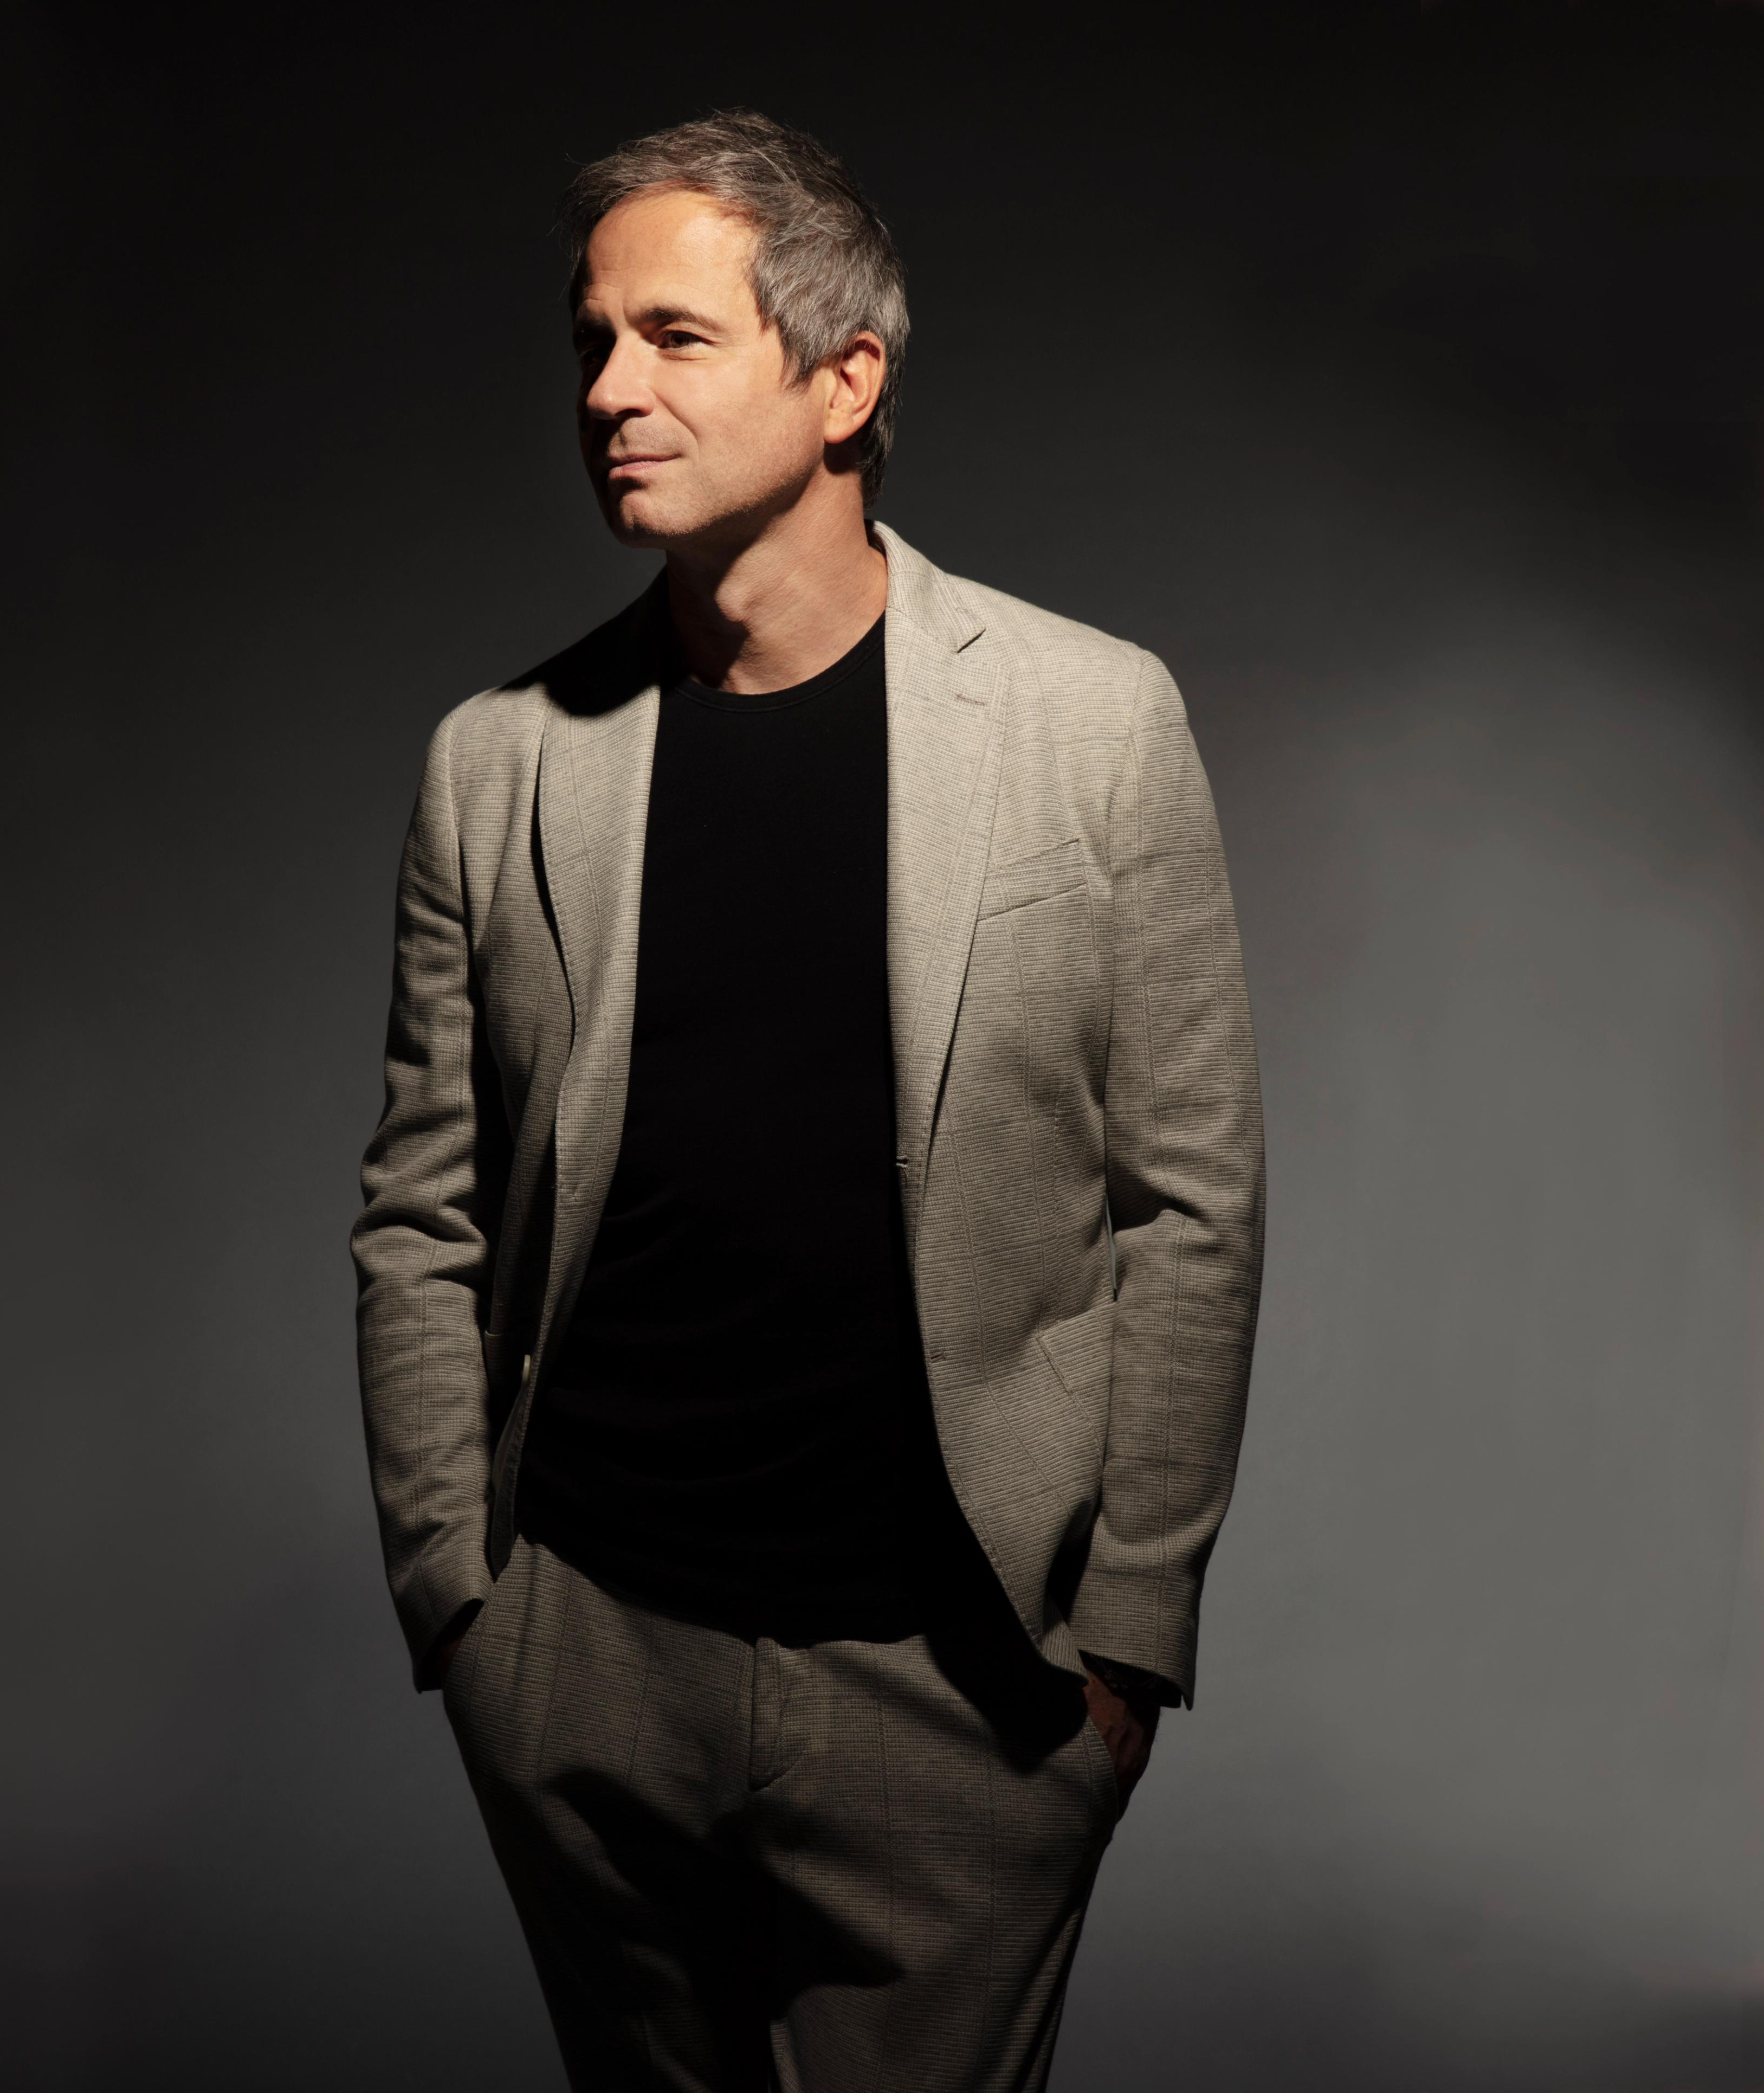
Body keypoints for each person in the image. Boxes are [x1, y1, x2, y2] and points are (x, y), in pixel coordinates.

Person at [352, 108, 1264, 2093]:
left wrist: (1129, 1641)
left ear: (846, 381)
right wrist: (463, 1608)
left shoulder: (1094, 724)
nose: (608, 391)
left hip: (968, 1692)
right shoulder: (494, 764)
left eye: (673, 338)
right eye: (592, 342)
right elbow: (426, 1206)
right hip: (583, 1664)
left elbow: (1190, 1207)